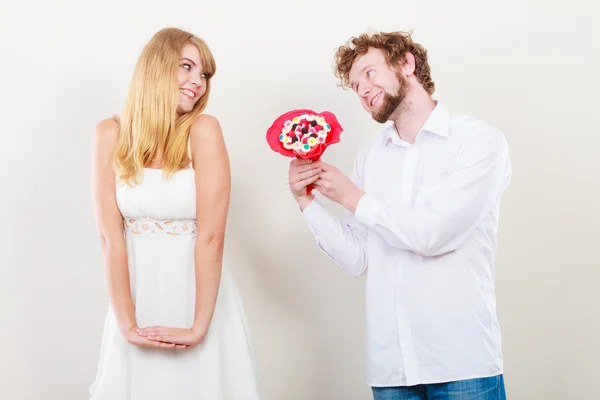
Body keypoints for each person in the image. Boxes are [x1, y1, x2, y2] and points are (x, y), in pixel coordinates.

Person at [288, 31, 511, 399]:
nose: (362, 90)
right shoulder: (370, 157)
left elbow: (432, 235)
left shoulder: (477, 141)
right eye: (356, 85)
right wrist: (307, 202)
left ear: (406, 64)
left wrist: (353, 197)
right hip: (391, 368)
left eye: (371, 74)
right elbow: (358, 258)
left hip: (461, 362)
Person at [89, 27, 261, 399]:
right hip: (135, 299)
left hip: (199, 300)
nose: (197, 82)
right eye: (187, 67)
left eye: (204, 74)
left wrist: (199, 327)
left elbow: (212, 237)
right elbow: (109, 239)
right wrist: (127, 325)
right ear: (156, 66)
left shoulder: (203, 130)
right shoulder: (108, 134)